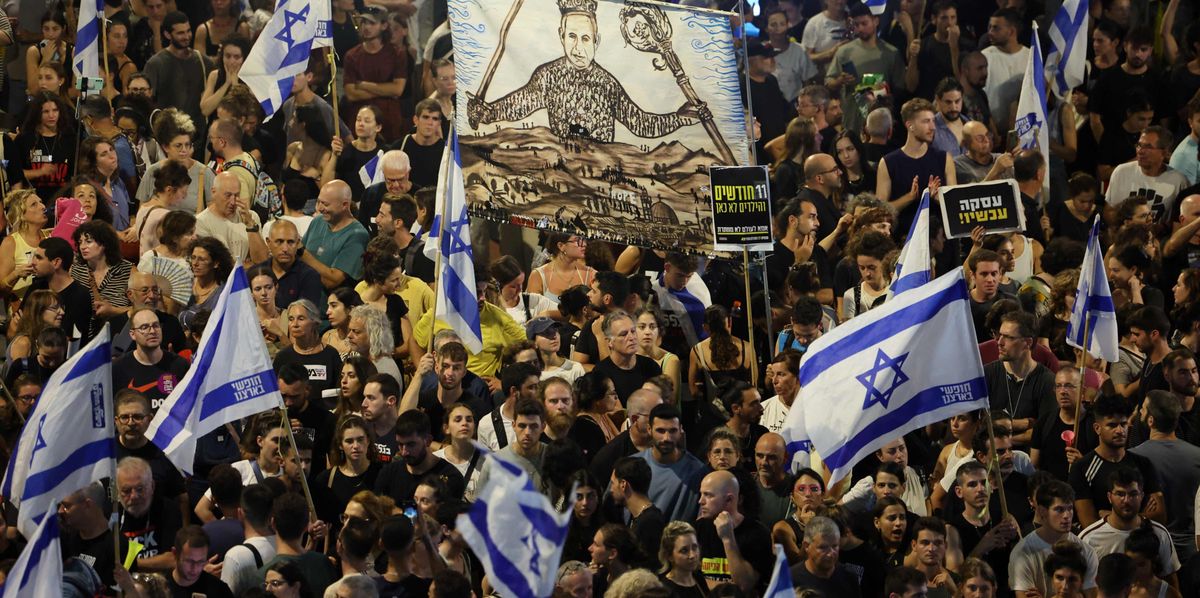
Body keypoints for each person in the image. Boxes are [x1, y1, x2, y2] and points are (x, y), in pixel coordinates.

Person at [466, 0, 708, 144]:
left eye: (585, 38)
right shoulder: (548, 76)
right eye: (571, 36)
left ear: (596, 40)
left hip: (602, 177)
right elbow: (517, 104)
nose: (577, 48)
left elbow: (641, 124)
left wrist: (679, 118)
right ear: (561, 36)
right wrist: (486, 113)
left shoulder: (606, 83)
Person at [1069, 394, 1165, 528]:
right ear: (1097, 428)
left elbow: (1160, 516)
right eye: (1112, 425)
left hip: (1141, 543)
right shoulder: (1081, 467)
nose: (1120, 430)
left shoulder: (1143, 464)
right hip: (1103, 546)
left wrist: (1110, 517)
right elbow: (1089, 523)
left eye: (1123, 424)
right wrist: (1141, 516)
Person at [877, 97, 956, 235]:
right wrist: (909, 197)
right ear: (910, 125)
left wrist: (937, 198)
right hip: (903, 240)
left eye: (933, 121)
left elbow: (955, 204)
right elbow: (880, 212)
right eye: (926, 121)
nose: (932, 127)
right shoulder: (889, 163)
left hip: (940, 240)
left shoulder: (944, 158)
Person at [1009, 480, 1099, 597]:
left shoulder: (1086, 550)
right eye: (1059, 510)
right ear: (1042, 511)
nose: (1067, 515)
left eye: (1070, 508)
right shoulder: (1023, 552)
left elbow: (1091, 595)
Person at [144, 12, 209, 150]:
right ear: (167, 35)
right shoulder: (155, 64)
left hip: (199, 140)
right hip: (168, 141)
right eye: (180, 33)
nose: (186, 37)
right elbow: (147, 103)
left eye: (188, 31)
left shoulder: (203, 62)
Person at [375, 410, 467, 505]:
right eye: (400, 444)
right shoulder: (389, 473)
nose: (404, 452)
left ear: (428, 441)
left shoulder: (450, 477)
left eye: (411, 444)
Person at [1105, 127, 1191, 226]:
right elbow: (1110, 211)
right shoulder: (1121, 171)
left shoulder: (1179, 181)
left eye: (1148, 147)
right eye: (1139, 145)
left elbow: (1179, 221)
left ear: (1165, 152)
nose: (1140, 151)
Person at [112, 307, 190, 412]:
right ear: (132, 334)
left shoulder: (180, 365)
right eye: (144, 327)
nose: (152, 331)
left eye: (156, 326)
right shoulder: (118, 368)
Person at [637, 403, 705, 522]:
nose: (666, 438)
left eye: (672, 431)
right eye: (660, 431)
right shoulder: (634, 466)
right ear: (649, 430)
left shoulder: (698, 472)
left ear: (680, 430)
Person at [273, 298, 344, 408]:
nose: (294, 324)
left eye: (301, 319)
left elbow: (339, 393)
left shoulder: (331, 355)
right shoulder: (283, 357)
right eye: (291, 319)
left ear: (314, 322)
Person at [117, 456, 184, 571]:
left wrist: (129, 564)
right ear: (117, 492)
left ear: (152, 486)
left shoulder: (168, 509)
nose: (134, 496)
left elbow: (171, 560)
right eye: (126, 491)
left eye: (140, 488)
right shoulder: (110, 514)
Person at [70, 220, 133, 341]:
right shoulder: (76, 269)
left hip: (117, 337)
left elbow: (142, 308)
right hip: (82, 338)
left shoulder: (127, 270)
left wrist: (113, 311)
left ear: (104, 243)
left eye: (89, 241)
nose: (83, 246)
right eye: (80, 242)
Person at [301, 180, 369, 290]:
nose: (320, 208)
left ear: (344, 205)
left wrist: (302, 254)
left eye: (326, 204)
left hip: (329, 304)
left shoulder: (357, 235)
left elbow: (331, 282)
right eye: (319, 202)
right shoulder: (317, 221)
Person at [195, 171, 266, 266]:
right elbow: (214, 265)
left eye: (236, 195)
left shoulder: (251, 217)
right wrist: (248, 265)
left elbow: (262, 260)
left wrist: (250, 225)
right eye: (228, 195)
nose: (233, 202)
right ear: (213, 192)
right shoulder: (200, 222)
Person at [980, 8, 1029, 131]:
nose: (990, 32)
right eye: (989, 27)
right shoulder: (984, 56)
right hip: (992, 133)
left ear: (1011, 31)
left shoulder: (1031, 57)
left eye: (996, 28)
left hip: (1024, 132)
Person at [656, 521, 708, 596]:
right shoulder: (665, 590)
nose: (692, 555)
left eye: (694, 547)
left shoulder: (699, 579)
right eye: (684, 550)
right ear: (669, 556)